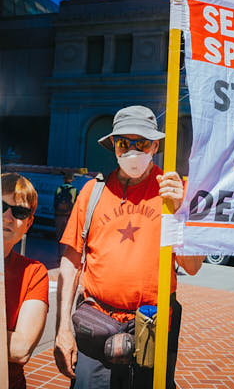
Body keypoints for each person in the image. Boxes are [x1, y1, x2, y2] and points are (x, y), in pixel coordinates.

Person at [54, 105, 204, 389]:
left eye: (142, 143)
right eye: (124, 143)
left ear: (155, 145)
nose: (132, 151)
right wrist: (62, 328)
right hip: (94, 325)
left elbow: (194, 267)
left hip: (151, 328)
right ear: (113, 145)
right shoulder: (92, 192)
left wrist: (181, 212)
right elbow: (71, 262)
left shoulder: (172, 194)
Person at [2, 172, 49, 389]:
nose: (7, 216)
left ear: (29, 223)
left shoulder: (34, 273)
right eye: (1, 206)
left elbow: (20, 349)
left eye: (18, 211)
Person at [54, 172, 77, 262]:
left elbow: (55, 202)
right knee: (67, 237)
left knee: (59, 237)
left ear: (64, 179)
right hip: (68, 216)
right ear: (71, 180)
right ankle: (65, 257)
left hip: (59, 216)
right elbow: (74, 203)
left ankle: (59, 255)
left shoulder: (58, 188)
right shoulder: (74, 190)